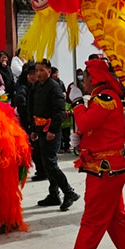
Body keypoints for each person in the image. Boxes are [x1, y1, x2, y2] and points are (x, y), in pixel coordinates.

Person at [46, 58, 125, 249]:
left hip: (104, 171)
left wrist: (78, 102)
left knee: (92, 221)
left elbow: (85, 120)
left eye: (85, 77)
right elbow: (92, 128)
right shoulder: (105, 98)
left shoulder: (104, 99)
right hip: (107, 169)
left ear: (94, 78)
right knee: (116, 220)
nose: (83, 81)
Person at [31, 59, 79, 210]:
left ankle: (68, 192)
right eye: (36, 70)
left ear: (49, 71)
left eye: (41, 70)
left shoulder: (54, 87)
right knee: (46, 164)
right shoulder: (38, 87)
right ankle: (54, 194)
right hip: (40, 129)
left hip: (51, 131)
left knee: (51, 164)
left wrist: (52, 129)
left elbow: (59, 112)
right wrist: (33, 129)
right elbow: (34, 109)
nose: (38, 74)